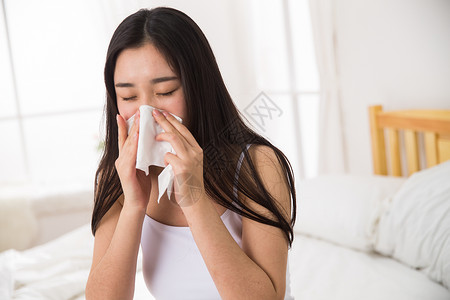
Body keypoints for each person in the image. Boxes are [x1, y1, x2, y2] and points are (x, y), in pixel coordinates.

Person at [85, 7, 297, 300]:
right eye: (129, 97)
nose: (147, 113)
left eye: (166, 91)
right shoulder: (114, 179)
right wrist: (134, 204)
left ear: (199, 88)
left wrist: (194, 199)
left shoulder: (257, 165)